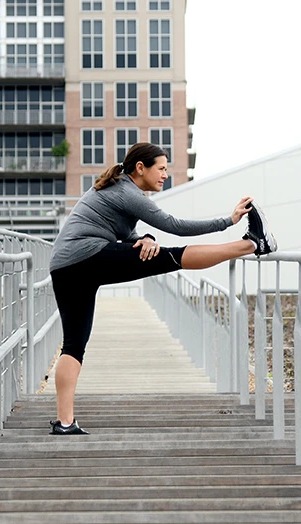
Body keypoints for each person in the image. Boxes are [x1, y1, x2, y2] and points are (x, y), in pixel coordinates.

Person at [48, 142, 277, 435]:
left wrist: (144, 237)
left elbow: (123, 233)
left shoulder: (118, 186)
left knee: (73, 345)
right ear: (140, 168)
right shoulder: (127, 191)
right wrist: (227, 220)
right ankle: (252, 243)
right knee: (170, 257)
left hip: (66, 266)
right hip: (86, 256)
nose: (165, 175)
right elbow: (174, 224)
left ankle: (65, 422)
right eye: (162, 168)